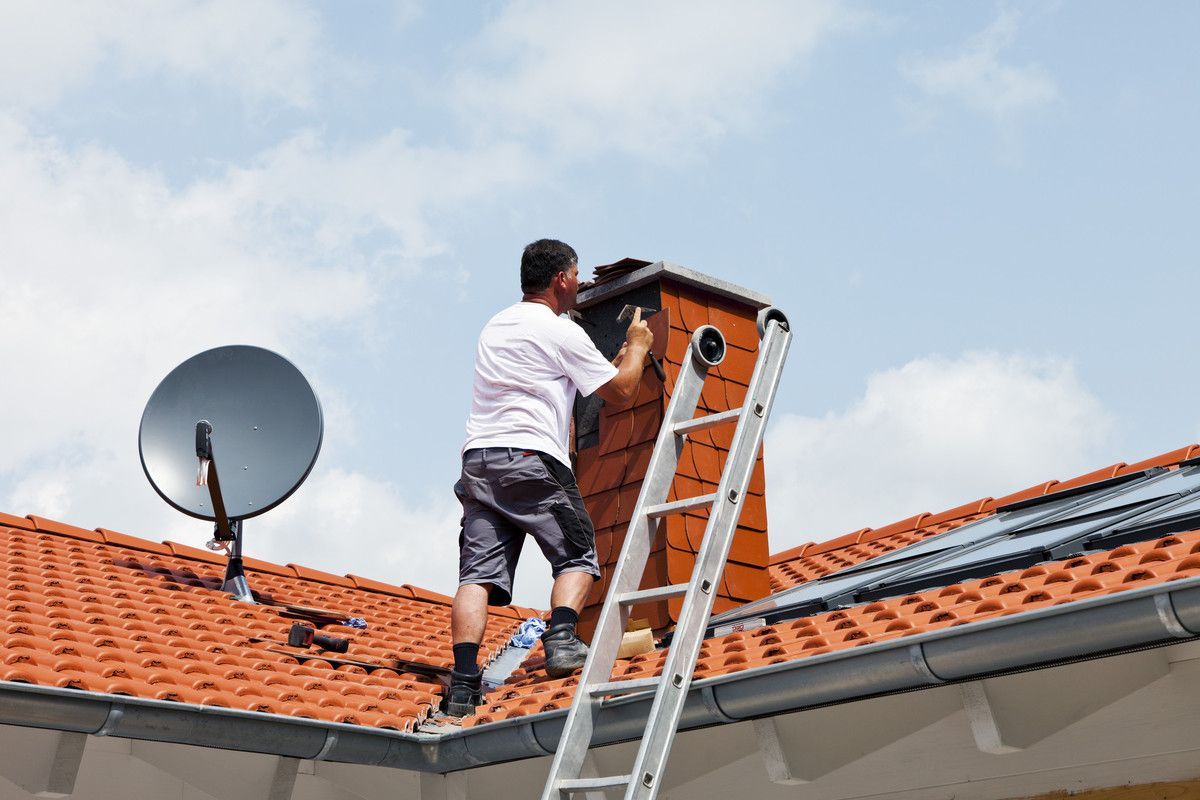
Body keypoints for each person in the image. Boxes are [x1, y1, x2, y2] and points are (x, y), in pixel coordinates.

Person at [444, 238, 653, 716]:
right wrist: (638, 349)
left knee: (475, 576)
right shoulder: (560, 331)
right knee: (578, 552)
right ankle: (561, 641)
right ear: (561, 278)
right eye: (576, 275)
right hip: (531, 455)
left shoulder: (496, 326)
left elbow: (566, 379)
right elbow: (621, 393)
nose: (579, 283)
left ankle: (462, 683)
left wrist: (615, 360)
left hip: (480, 461)